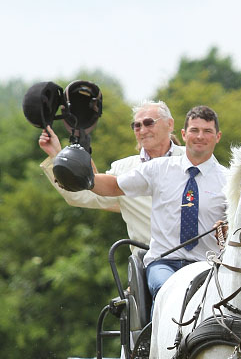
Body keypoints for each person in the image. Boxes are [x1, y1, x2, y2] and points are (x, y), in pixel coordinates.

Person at [88, 105, 226, 303]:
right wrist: (84, 177)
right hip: (164, 263)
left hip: (207, 265)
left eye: (207, 131)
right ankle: (156, 335)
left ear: (218, 136)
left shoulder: (228, 181)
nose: (200, 136)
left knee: (213, 297)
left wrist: (226, 228)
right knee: (169, 291)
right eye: (194, 130)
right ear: (184, 134)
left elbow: (239, 226)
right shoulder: (158, 169)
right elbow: (113, 186)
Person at [38, 100, 184, 244]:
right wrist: (56, 156)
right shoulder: (122, 170)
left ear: (169, 124)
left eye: (149, 123)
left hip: (200, 257)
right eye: (137, 125)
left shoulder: (194, 159)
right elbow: (83, 194)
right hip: (152, 259)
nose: (143, 130)